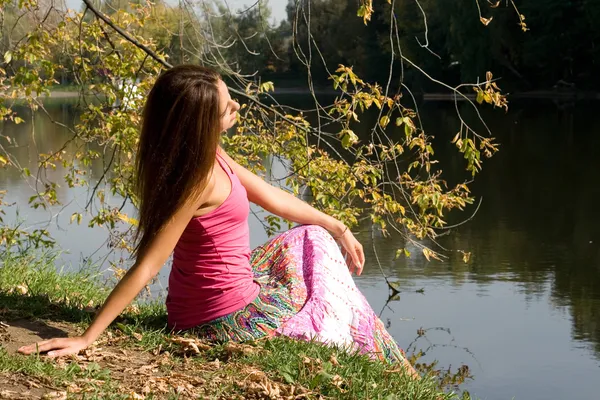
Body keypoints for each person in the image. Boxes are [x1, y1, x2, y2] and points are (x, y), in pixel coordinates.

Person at [18, 65, 417, 377]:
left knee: (311, 237)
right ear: (203, 122)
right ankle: (389, 365)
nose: (237, 107)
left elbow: (272, 196)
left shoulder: (209, 155)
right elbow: (149, 265)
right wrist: (88, 336)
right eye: (228, 106)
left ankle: (376, 351)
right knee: (324, 282)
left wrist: (339, 226)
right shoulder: (198, 178)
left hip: (213, 301)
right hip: (219, 320)